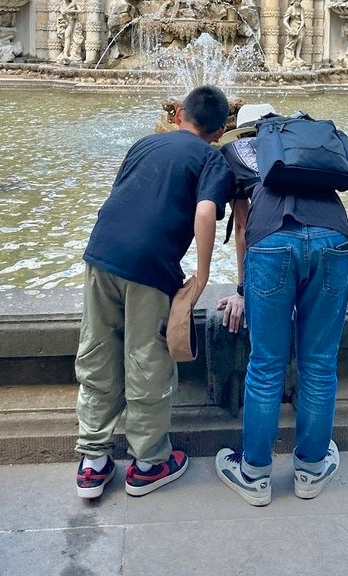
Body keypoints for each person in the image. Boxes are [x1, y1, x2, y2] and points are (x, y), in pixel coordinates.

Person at [74, 84, 235, 500]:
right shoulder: (212, 159)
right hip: (149, 266)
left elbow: (120, 192)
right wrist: (200, 276)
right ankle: (147, 464)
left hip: (101, 253)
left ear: (179, 114)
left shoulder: (145, 143)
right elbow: (205, 211)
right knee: (147, 357)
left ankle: (92, 462)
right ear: (220, 130)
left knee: (98, 350)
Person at [215, 103, 348, 507]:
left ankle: (254, 473)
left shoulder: (239, 153)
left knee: (266, 365)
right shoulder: (300, 146)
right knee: (320, 363)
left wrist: (243, 290)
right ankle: (311, 469)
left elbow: (242, 228)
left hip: (272, 243)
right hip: (332, 240)